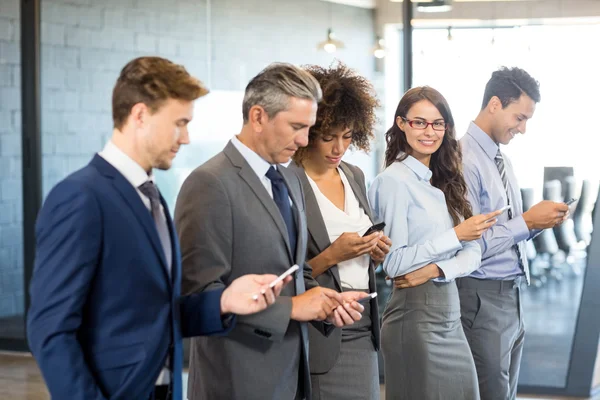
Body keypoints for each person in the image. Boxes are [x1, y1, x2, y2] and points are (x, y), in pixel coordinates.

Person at [26, 56, 290, 400]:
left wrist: (224, 301)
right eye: (179, 123)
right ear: (139, 115)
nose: (186, 137)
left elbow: (156, 312)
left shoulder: (152, 197)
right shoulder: (80, 197)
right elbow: (49, 330)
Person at [174, 62, 368, 400]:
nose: (304, 140)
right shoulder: (209, 183)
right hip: (237, 378)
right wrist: (291, 308)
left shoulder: (290, 176)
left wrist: (324, 302)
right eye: (296, 126)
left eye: (308, 128)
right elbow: (199, 296)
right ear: (259, 117)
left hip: (293, 373)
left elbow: (296, 268)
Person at [368, 86, 503, 400]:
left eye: (437, 123)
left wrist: (434, 269)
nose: (429, 131)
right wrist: (455, 236)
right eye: (419, 122)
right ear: (401, 124)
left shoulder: (443, 180)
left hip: (449, 314)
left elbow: (474, 253)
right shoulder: (393, 182)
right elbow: (394, 264)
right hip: (414, 318)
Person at [458, 67, 569, 400]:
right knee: (490, 392)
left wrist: (538, 224)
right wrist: (528, 222)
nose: (522, 129)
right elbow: (469, 245)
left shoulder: (501, 159)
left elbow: (508, 232)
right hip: (480, 296)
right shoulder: (463, 160)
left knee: (505, 393)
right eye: (519, 118)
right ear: (495, 104)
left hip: (511, 296)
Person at [287, 62, 391, 400]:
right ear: (309, 131)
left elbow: (360, 262)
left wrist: (373, 252)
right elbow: (284, 276)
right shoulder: (289, 183)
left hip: (363, 324)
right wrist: (333, 255)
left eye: (347, 137)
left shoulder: (355, 175)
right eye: (328, 137)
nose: (338, 148)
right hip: (321, 329)